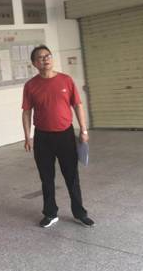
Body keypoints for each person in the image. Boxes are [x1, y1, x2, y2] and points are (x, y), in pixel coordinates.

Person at [22, 45, 95, 228]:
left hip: (65, 135)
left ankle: (79, 213)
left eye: (48, 56)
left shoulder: (66, 80)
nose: (45, 59)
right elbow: (26, 111)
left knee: (72, 176)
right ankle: (50, 213)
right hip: (42, 137)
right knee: (46, 177)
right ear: (34, 63)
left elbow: (77, 105)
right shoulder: (30, 85)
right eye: (40, 57)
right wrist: (27, 136)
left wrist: (84, 131)